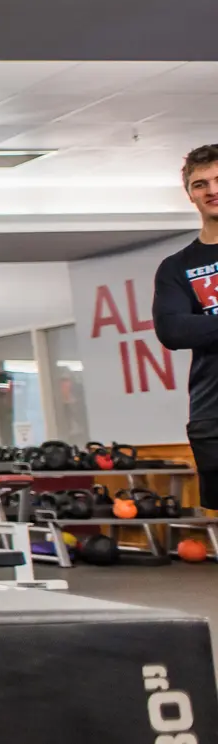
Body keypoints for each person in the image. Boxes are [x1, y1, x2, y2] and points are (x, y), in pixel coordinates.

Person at [154, 144, 218, 508]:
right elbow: (173, 331)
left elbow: (191, 325)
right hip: (214, 414)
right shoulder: (177, 267)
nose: (211, 190)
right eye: (200, 184)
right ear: (190, 194)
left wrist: (205, 324)